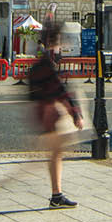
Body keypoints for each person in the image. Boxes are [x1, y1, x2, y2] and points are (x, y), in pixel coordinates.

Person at [28, 21, 83, 209]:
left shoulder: (43, 62)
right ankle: (56, 195)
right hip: (50, 117)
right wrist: (75, 114)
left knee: (56, 154)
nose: (62, 44)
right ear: (54, 41)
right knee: (55, 154)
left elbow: (34, 92)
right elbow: (60, 90)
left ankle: (56, 194)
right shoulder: (48, 63)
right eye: (60, 40)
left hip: (46, 116)